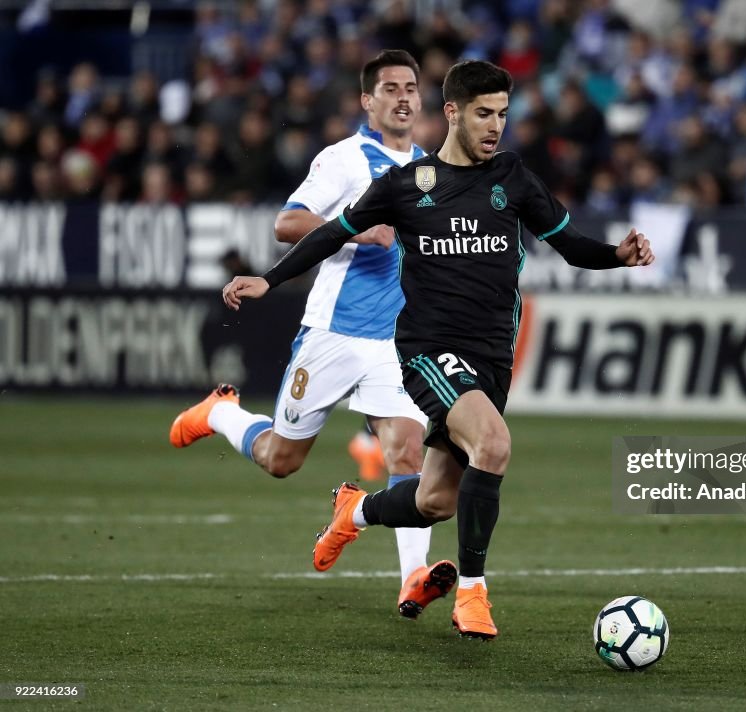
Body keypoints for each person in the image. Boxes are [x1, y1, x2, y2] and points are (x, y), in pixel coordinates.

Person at [221, 60, 654, 639]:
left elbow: (570, 245)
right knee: (493, 445)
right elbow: (331, 232)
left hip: (492, 356)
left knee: (433, 500)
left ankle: (354, 511)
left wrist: (616, 255)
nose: (495, 125)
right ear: (452, 112)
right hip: (430, 350)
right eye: (483, 113)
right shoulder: (407, 186)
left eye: (502, 113)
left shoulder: (513, 178)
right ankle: (472, 594)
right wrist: (270, 280)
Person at [169, 50, 456, 620]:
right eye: (390, 88)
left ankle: (412, 579)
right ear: (367, 102)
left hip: (393, 343)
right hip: (332, 333)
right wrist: (354, 226)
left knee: (405, 451)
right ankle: (220, 412)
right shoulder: (345, 159)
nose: (402, 97)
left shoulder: (431, 169)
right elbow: (287, 222)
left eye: (411, 88)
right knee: (282, 459)